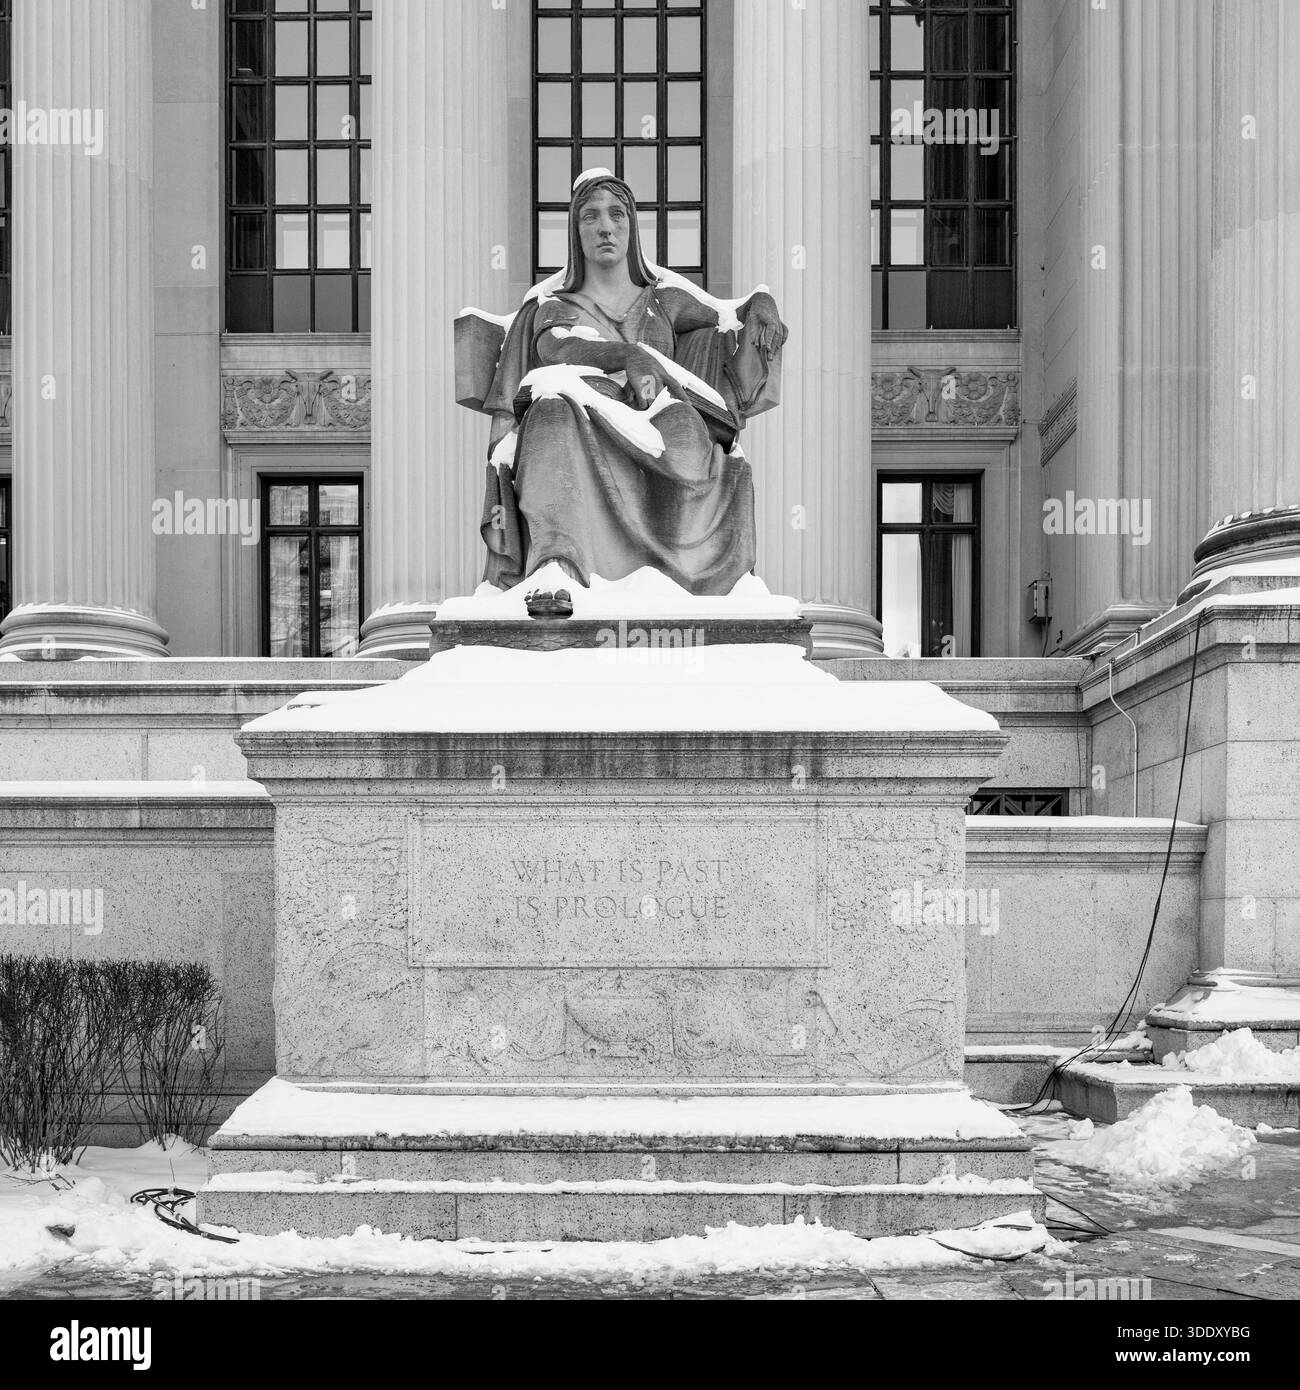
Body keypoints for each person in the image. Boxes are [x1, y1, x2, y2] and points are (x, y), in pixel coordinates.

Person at [474, 169, 787, 595]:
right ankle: (556, 565)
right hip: (582, 418)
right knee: (551, 408)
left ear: (632, 228)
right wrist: (629, 355)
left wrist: (763, 302)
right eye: (591, 216)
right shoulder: (552, 305)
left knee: (681, 426)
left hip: (661, 423)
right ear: (575, 230)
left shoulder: (664, 300)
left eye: (617, 215)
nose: (606, 227)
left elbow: (728, 315)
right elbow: (558, 350)